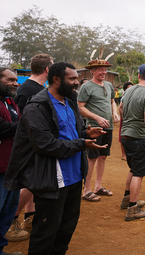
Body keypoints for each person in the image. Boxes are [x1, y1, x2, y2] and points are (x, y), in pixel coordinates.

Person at [4, 62, 107, 255]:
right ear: (56, 79)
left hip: (75, 177)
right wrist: (82, 143)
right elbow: (45, 144)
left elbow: (70, 132)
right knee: (45, 233)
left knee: (65, 230)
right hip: (52, 180)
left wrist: (86, 132)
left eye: (77, 78)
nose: (76, 83)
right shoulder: (37, 106)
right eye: (72, 79)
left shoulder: (69, 102)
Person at [9, 54, 53, 241]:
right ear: (48, 70)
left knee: (35, 182)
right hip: (30, 145)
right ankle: (10, 221)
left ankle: (29, 217)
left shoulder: (36, 87)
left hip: (36, 143)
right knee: (30, 182)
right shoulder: (29, 90)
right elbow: (20, 120)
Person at [119, 64, 145, 221]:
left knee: (133, 168)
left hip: (126, 135)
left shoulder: (128, 90)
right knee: (138, 172)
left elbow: (121, 108)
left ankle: (127, 199)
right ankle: (132, 208)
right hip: (138, 137)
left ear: (138, 76)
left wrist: (128, 121)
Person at [77, 58, 120, 202]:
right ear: (92, 71)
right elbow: (80, 107)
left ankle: (98, 186)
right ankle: (86, 189)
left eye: (105, 69)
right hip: (94, 128)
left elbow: (112, 101)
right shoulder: (86, 87)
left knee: (102, 156)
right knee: (92, 157)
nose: (104, 72)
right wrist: (97, 117)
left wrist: (115, 113)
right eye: (100, 69)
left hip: (109, 127)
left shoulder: (108, 85)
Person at [0, 67, 25, 255]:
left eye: (16, 80)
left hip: (13, 166)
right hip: (0, 168)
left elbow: (16, 125)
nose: (15, 83)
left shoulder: (10, 101)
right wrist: (22, 127)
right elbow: (2, 127)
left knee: (7, 212)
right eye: (10, 80)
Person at [118, 82, 134, 160]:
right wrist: (123, 118)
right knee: (123, 135)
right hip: (125, 119)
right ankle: (123, 154)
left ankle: (129, 153)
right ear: (125, 89)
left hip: (132, 118)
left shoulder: (133, 96)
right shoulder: (124, 97)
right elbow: (120, 108)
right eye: (129, 88)